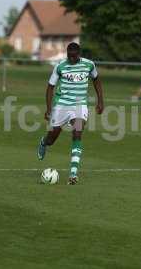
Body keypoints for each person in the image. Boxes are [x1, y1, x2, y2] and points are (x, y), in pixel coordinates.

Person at [37, 42, 104, 185]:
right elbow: (50, 87)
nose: (71, 59)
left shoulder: (89, 65)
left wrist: (100, 101)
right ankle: (44, 142)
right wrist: (49, 109)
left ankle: (73, 174)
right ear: (67, 54)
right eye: (69, 56)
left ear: (79, 54)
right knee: (52, 139)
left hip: (80, 105)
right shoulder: (60, 66)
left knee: (77, 132)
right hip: (61, 105)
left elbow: (97, 80)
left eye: (74, 56)